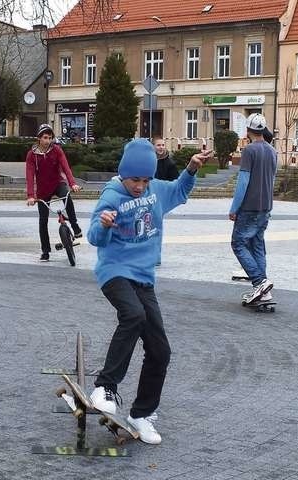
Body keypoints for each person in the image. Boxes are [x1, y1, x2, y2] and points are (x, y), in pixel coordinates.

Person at [87, 138, 212, 444]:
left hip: (144, 276)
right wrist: (104, 224)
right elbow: (93, 236)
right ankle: (105, 387)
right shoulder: (112, 196)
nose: (140, 186)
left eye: (145, 180)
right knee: (133, 314)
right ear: (123, 175)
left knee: (160, 351)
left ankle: (141, 414)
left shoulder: (156, 192)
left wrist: (191, 169)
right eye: (134, 180)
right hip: (114, 270)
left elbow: (180, 191)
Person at [229, 113, 277, 304]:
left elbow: (243, 182)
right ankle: (264, 291)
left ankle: (259, 282)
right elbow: (272, 180)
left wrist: (234, 208)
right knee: (257, 245)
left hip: (249, 206)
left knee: (238, 243)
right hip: (265, 206)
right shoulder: (272, 151)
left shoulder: (249, 150)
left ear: (248, 130)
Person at [26, 123, 82, 262]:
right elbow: (29, 175)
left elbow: (66, 167)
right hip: (43, 189)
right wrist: (31, 196)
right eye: (45, 137)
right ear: (39, 138)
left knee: (67, 198)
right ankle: (45, 251)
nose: (48, 141)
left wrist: (73, 183)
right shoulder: (32, 155)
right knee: (42, 221)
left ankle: (74, 225)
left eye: (50, 138)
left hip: (58, 183)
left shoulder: (56, 150)